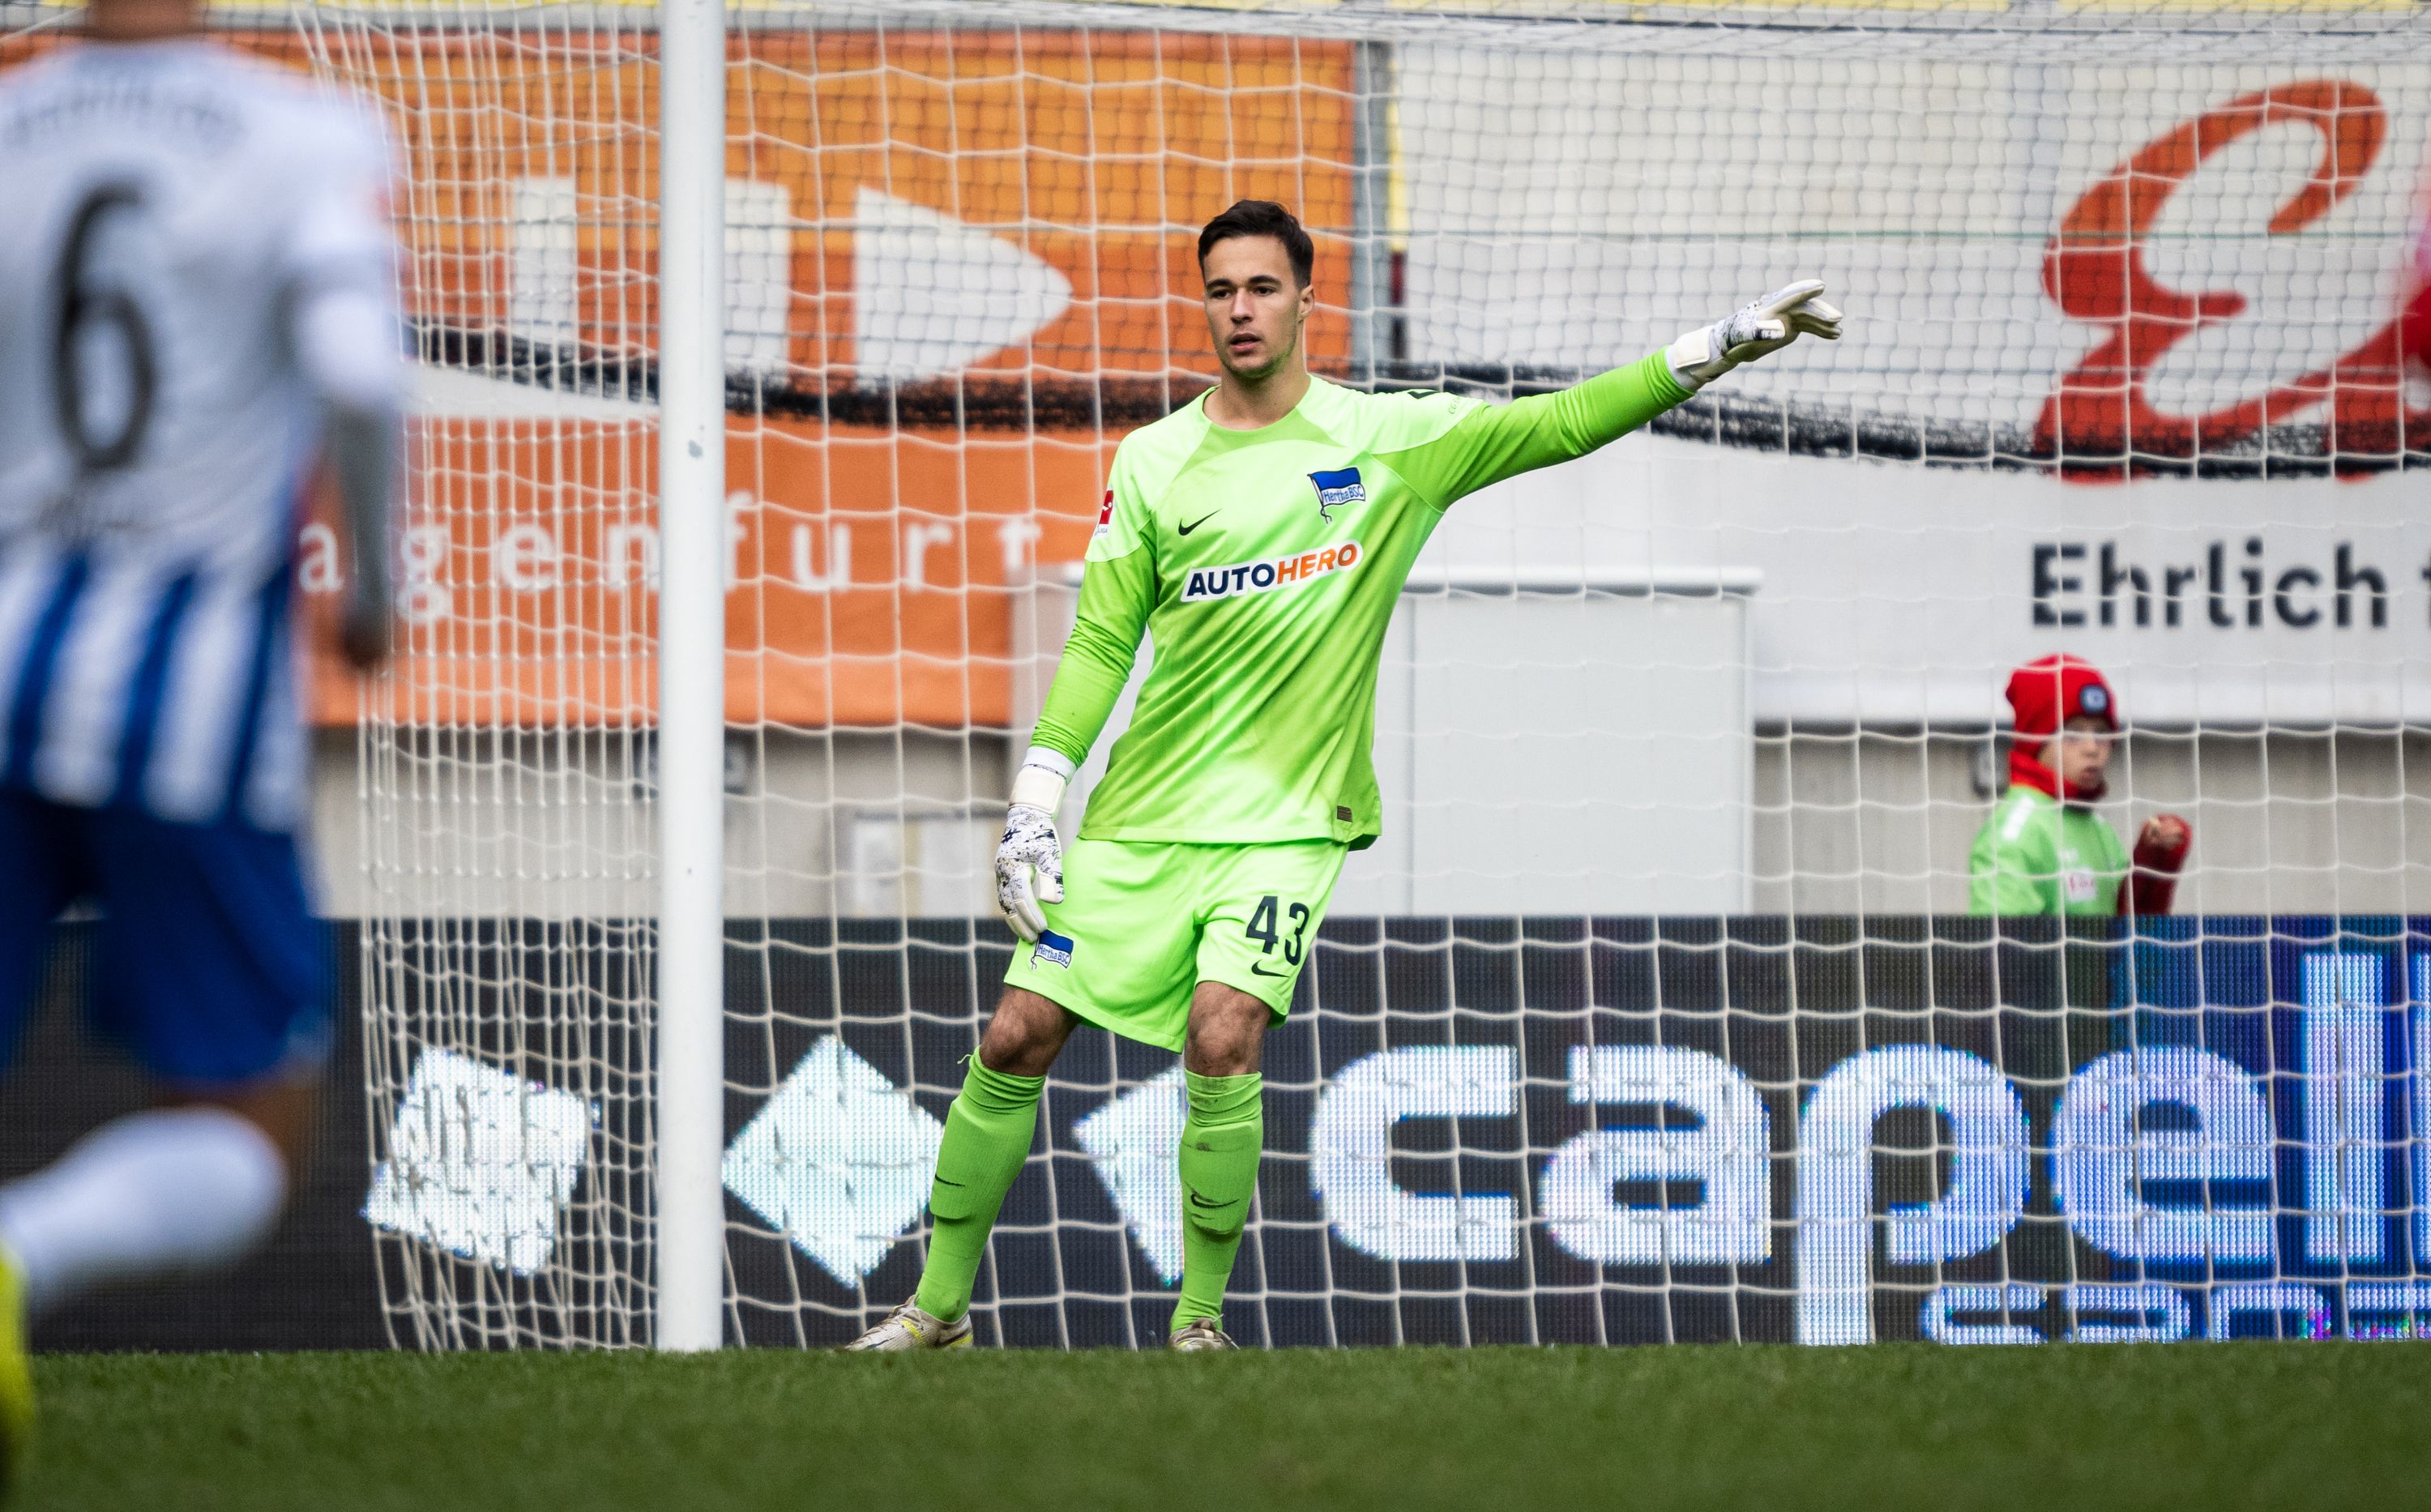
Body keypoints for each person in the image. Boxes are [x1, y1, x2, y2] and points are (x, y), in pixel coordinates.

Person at [846, 199, 1842, 1352]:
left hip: (1287, 825)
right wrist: (1035, 799)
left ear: (1307, 299)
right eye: (1220, 290)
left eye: (1262, 287)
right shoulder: (1155, 458)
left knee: (1224, 1032)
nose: (1240, 310)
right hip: (1141, 820)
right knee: (1016, 1032)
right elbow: (1102, 640)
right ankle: (937, 1312)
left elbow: (1561, 423)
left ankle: (1198, 1326)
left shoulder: (1388, 443)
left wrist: (1716, 345)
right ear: (1203, 304)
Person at [0, 0, 400, 1472]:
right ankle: (15, 1251)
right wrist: (372, 587)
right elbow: (359, 375)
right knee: (250, 1123)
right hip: (192, 700)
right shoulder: (301, 133)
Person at [1968, 655, 2188, 917]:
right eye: (2072, 733)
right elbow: (2004, 954)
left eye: (2102, 733)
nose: (2092, 748)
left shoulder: (2096, 827)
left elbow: (2130, 939)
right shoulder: (2014, 834)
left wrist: (2153, 858)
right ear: (2034, 740)